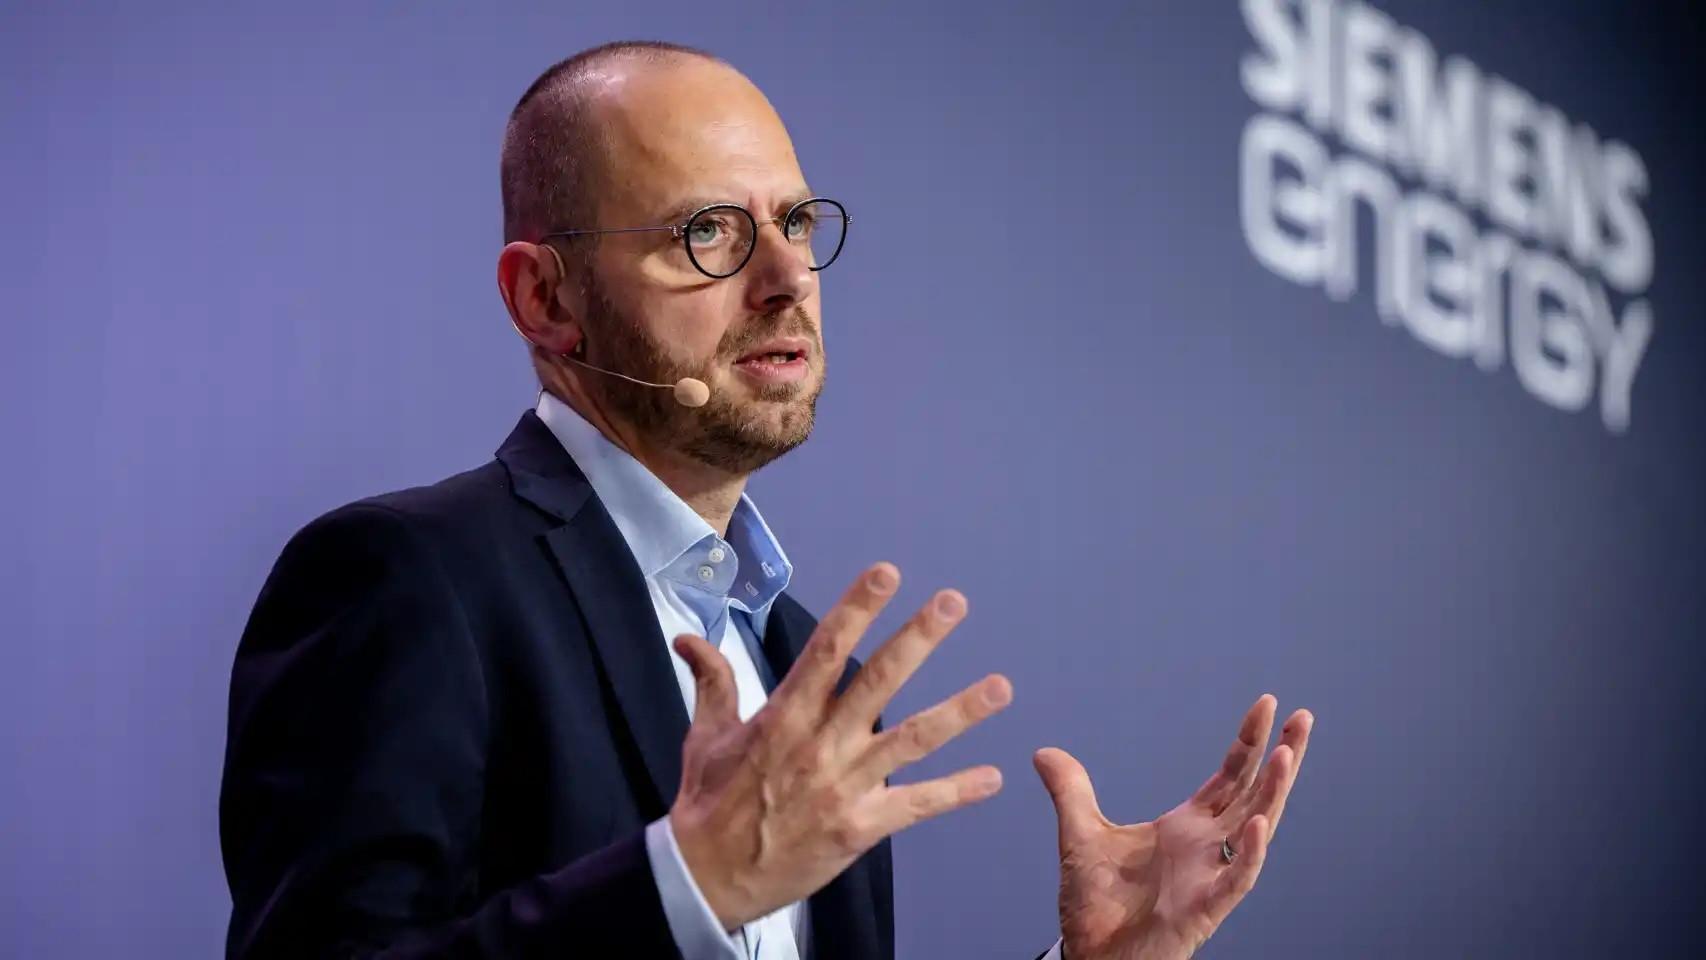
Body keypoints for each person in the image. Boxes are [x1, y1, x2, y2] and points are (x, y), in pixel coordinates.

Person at [218, 40, 1314, 960]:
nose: (786, 278)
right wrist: (684, 887)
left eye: (795, 223)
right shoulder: (412, 581)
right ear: (544, 297)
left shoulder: (805, 674)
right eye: (708, 232)